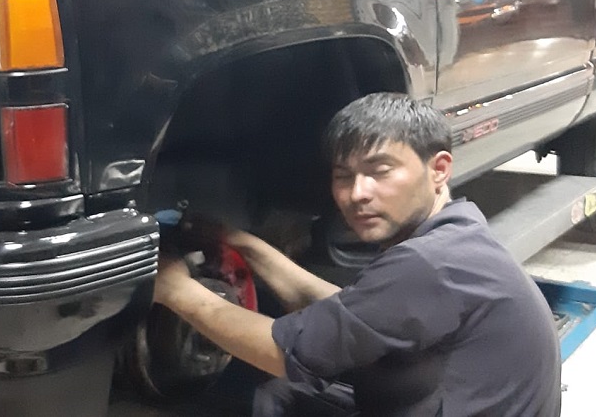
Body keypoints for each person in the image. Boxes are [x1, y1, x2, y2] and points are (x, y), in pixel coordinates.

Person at [153, 92, 562, 416]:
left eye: (380, 171)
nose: (356, 193)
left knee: (257, 389)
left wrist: (174, 289)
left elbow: (282, 352)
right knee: (278, 395)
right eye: (343, 176)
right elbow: (349, 316)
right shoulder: (457, 236)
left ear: (438, 169)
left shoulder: (429, 264)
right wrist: (242, 243)